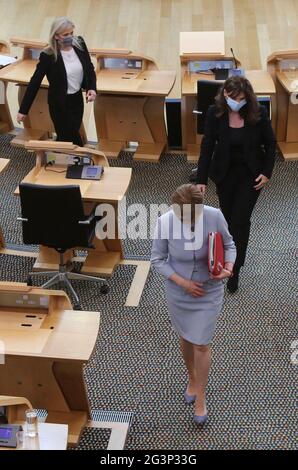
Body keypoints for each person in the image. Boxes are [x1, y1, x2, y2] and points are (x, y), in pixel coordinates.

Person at [151, 184, 236, 425]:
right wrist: (183, 282)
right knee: (186, 336)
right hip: (179, 291)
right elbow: (157, 259)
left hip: (209, 289)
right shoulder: (165, 221)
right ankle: (191, 377)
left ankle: (201, 396)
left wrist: (228, 268)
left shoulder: (214, 216)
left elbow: (230, 245)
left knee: (201, 343)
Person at [195, 76, 276, 292]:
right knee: (228, 220)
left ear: (246, 97)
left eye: (239, 98)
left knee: (240, 221)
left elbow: (270, 143)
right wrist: (201, 179)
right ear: (224, 95)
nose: (234, 101)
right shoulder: (215, 112)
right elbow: (207, 146)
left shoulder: (258, 113)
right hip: (225, 173)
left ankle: (234, 269)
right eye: (230, 97)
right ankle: (225, 257)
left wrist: (267, 173)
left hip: (251, 175)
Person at [17, 17, 97, 146]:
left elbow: (89, 68)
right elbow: (35, 82)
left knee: (67, 136)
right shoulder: (48, 55)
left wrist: (91, 88)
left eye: (72, 33)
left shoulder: (80, 43)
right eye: (66, 34)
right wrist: (23, 110)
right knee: (70, 139)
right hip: (59, 104)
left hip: (76, 101)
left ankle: (55, 159)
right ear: (56, 36)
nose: (70, 37)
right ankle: (81, 161)